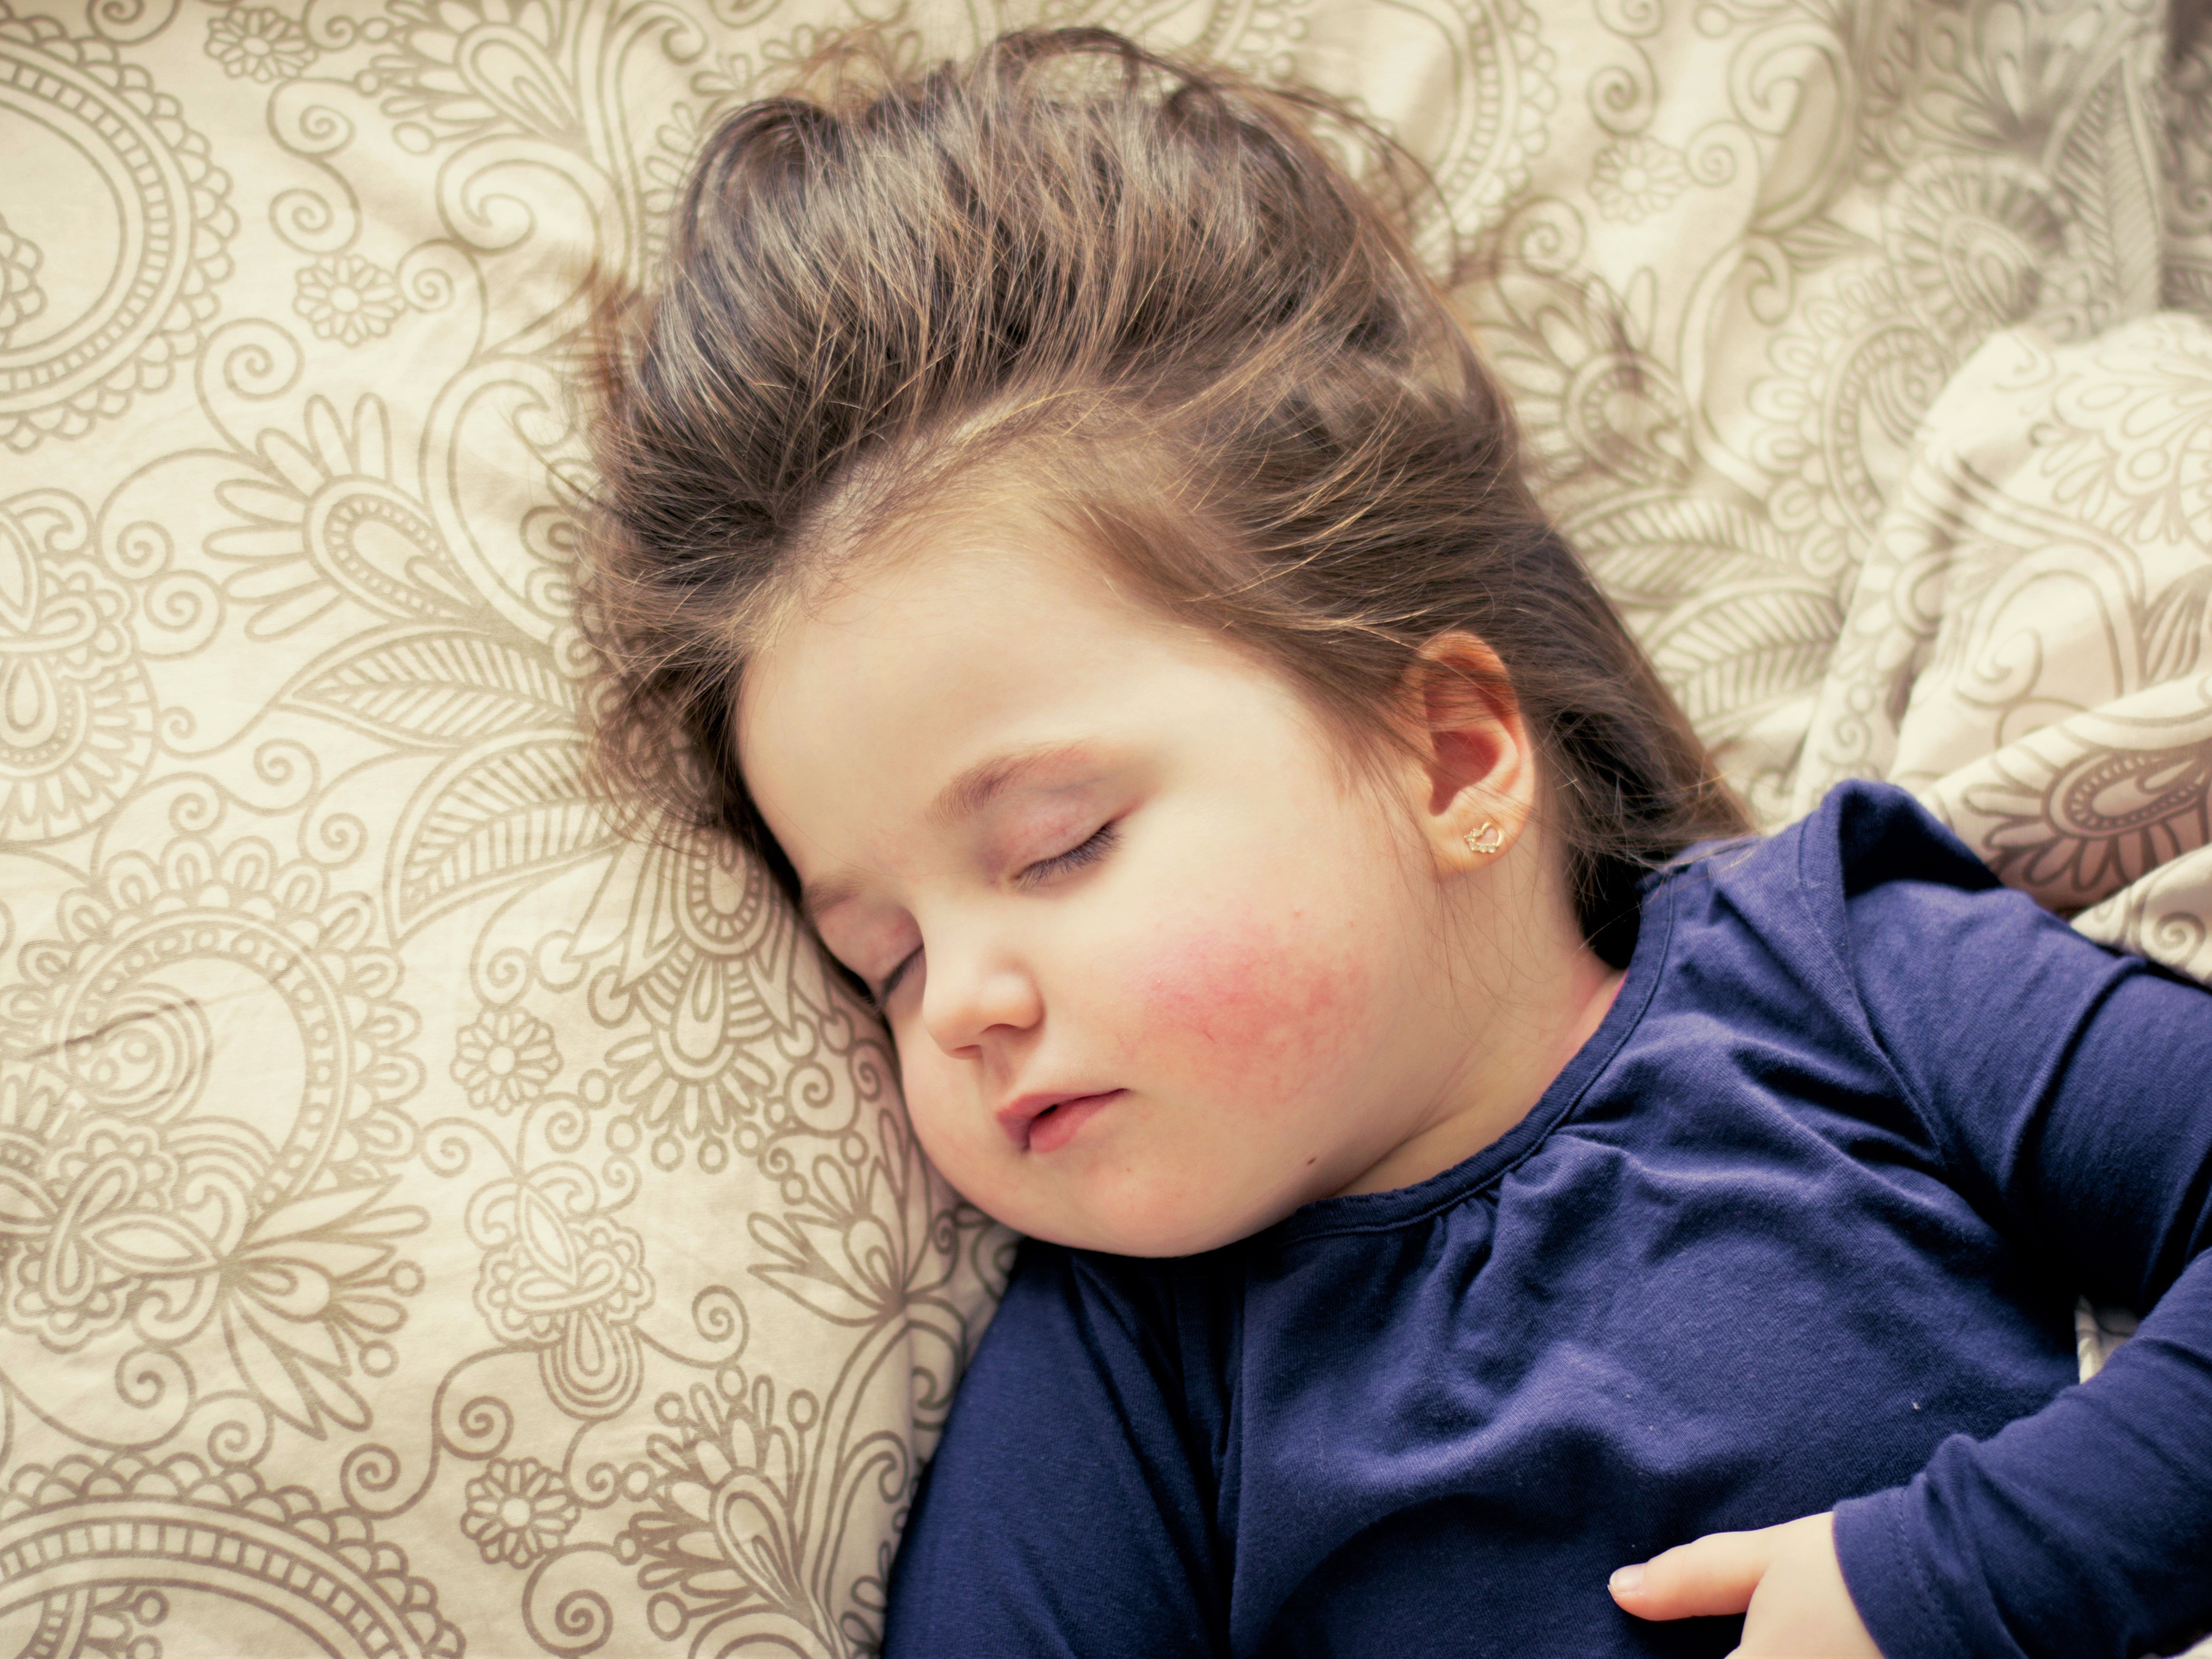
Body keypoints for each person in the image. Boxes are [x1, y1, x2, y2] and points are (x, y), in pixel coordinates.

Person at [576, 26, 2212, 1658]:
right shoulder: (1131, 1365)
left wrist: (1953, 1582)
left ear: (1446, 756)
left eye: (1059, 844)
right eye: (886, 959)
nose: (960, 1006)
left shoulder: (1831, 967)